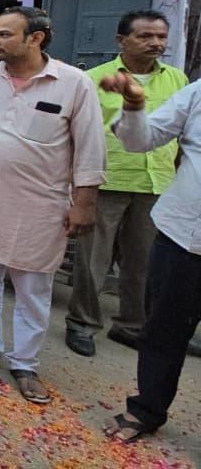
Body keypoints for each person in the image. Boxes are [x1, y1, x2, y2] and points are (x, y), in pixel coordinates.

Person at [0, 7, 104, 405]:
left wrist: (84, 203)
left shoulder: (74, 83)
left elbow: (90, 147)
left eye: (5, 35)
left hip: (39, 205)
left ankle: (25, 362)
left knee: (32, 287)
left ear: (37, 38)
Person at [66, 10, 188, 357]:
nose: (155, 43)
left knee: (144, 261)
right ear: (121, 40)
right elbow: (76, 133)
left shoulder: (177, 80)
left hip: (156, 183)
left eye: (161, 37)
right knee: (93, 260)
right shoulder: (92, 79)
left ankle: (131, 325)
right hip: (107, 179)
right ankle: (82, 323)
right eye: (145, 36)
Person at [98, 71, 201, 443]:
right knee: (163, 330)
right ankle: (147, 410)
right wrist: (134, 103)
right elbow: (138, 140)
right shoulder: (197, 93)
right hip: (182, 236)